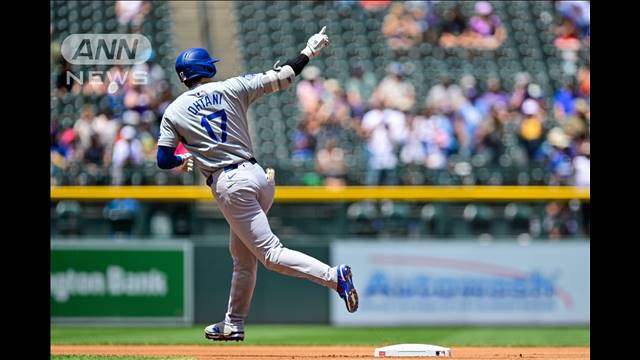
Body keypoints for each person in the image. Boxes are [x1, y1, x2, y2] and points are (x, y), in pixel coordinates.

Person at [155, 27, 358, 342]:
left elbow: (163, 159)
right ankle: (233, 323)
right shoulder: (232, 87)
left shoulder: (174, 111)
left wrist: (183, 161)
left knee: (271, 255)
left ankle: (335, 277)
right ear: (207, 68)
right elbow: (286, 75)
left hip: (230, 184)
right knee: (243, 257)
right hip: (258, 176)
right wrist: (309, 50)